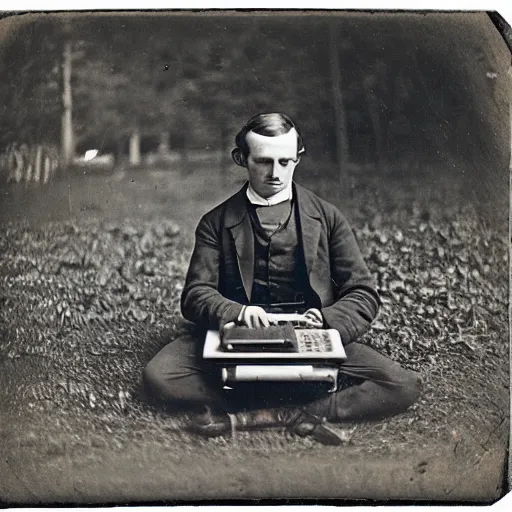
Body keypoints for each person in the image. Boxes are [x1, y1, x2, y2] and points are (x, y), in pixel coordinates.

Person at [142, 113, 422, 445]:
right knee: (158, 377)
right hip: (238, 335)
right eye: (263, 161)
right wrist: (239, 313)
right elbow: (195, 294)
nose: (276, 174)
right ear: (241, 159)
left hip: (309, 335)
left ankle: (281, 411)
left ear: (297, 159)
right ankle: (278, 407)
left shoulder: (328, 218)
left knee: (402, 384)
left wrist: (325, 320)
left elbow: (362, 292)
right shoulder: (215, 222)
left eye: (285, 161)